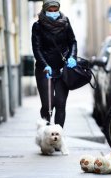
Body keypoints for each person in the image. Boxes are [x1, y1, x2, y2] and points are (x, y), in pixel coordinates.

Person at [31, 0, 77, 128]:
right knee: (48, 104)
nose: (53, 13)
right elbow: (37, 49)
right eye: (50, 10)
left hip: (63, 70)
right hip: (44, 70)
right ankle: (45, 133)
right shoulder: (38, 26)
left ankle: (58, 136)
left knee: (61, 103)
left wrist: (72, 57)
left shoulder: (65, 23)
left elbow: (72, 42)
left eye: (55, 10)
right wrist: (44, 64)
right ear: (45, 10)